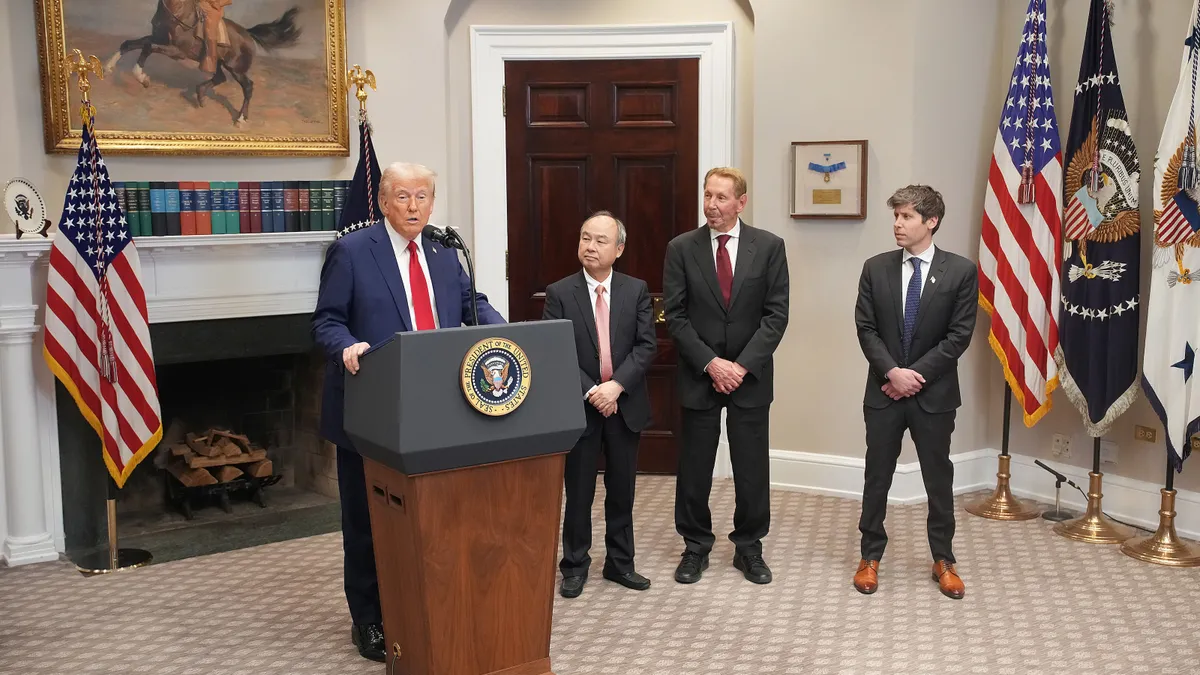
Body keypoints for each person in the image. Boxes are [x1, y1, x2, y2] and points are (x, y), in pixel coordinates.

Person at [311, 162, 505, 661]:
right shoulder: (352, 251)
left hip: (435, 410)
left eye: (422, 197)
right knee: (367, 520)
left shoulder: (444, 253)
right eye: (403, 197)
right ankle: (370, 620)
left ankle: (425, 602)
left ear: (433, 203)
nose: (414, 206)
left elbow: (471, 303)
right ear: (383, 201)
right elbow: (326, 321)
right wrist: (348, 345)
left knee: (431, 516)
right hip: (369, 411)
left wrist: (505, 332)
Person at [663, 167, 789, 585]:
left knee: (751, 467)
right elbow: (675, 317)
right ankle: (695, 546)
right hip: (700, 374)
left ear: (741, 202)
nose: (712, 205)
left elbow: (776, 315)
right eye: (707, 196)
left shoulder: (769, 247)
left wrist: (740, 366)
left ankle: (749, 548)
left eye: (721, 197)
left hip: (749, 377)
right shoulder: (681, 248)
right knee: (695, 465)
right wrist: (711, 364)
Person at [852, 184, 978, 600]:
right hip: (884, 392)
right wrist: (892, 372)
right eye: (896, 217)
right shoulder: (876, 267)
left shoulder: (960, 271)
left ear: (931, 221)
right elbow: (866, 329)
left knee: (938, 478)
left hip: (933, 395)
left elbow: (958, 337)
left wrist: (913, 376)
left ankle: (943, 558)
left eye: (906, 217)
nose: (897, 225)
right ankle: (870, 555)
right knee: (877, 476)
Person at [542, 211, 657, 598]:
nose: (590, 247)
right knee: (578, 491)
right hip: (582, 408)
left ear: (619, 248)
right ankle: (574, 566)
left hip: (624, 406)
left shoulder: (636, 289)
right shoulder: (560, 292)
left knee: (622, 489)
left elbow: (646, 346)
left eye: (600, 240)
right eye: (585, 238)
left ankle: (620, 564)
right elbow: (555, 352)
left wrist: (616, 387)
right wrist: (594, 391)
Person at [197, 0, 232, 74]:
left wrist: (215, 3)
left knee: (210, 33)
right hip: (199, 2)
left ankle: (210, 63)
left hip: (212, 7)